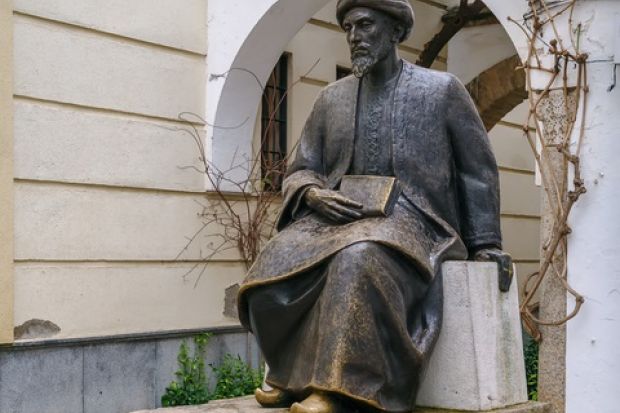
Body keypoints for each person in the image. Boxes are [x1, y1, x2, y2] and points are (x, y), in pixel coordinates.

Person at [237, 1, 512, 412]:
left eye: (365, 25)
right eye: (348, 27)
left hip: (417, 219)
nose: (354, 36)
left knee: (359, 258)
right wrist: (312, 194)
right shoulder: (332, 99)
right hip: (338, 217)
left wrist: (485, 242)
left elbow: (477, 170)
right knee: (271, 267)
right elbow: (301, 169)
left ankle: (337, 389)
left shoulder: (442, 91)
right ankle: (290, 376)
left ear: (396, 31)